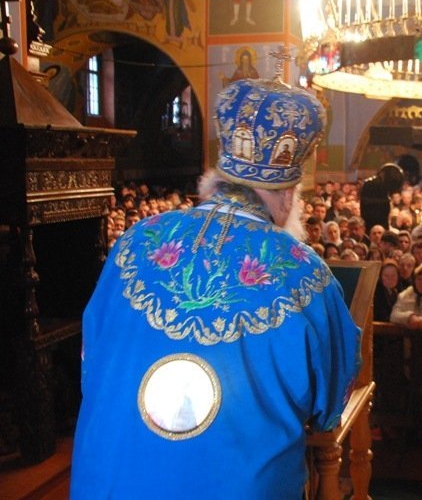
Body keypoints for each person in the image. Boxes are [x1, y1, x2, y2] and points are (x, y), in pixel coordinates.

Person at [71, 78, 361, 498]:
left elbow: (90, 365)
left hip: (108, 485)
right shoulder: (304, 274)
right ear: (289, 193)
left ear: (216, 177)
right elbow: (331, 404)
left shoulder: (134, 244)